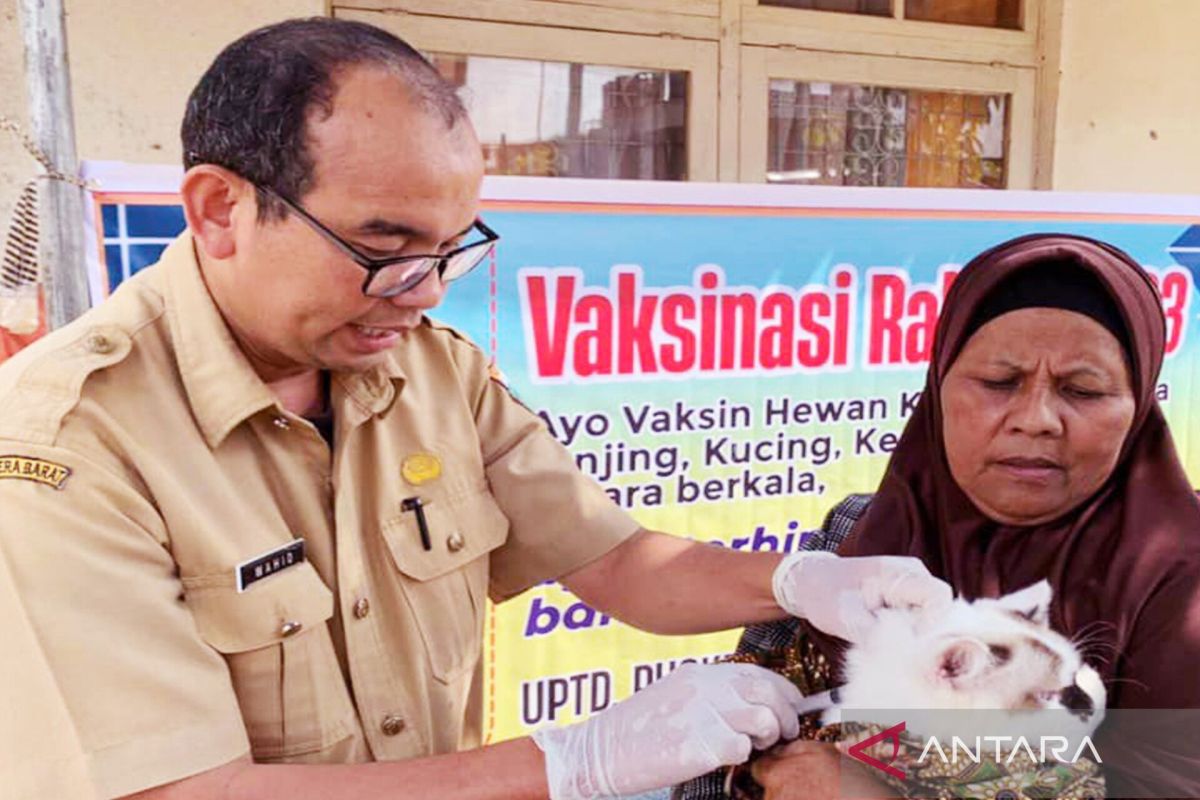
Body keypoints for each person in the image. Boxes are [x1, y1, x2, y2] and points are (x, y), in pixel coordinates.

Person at [0, 18, 951, 800]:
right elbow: (178, 791)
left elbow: (616, 562)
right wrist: (569, 762)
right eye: (385, 244)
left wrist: (796, 585)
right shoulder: (70, 444)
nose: (422, 291)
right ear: (217, 210)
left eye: (453, 249)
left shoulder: (427, 376)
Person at [680, 233, 1200, 799]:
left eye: (1083, 389)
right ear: (938, 388)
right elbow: (725, 759)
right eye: (999, 383)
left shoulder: (1180, 586)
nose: (1037, 419)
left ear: (1140, 406)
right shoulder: (856, 543)